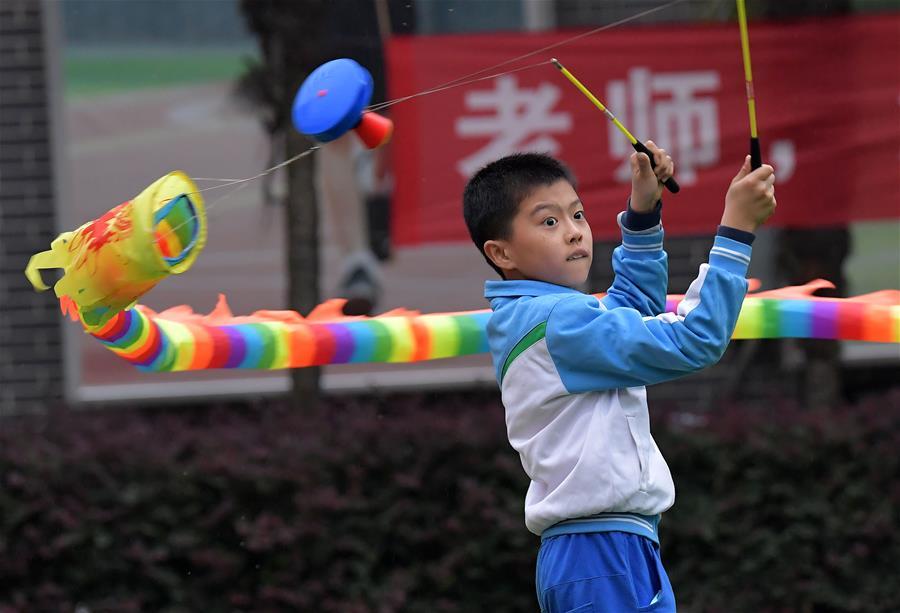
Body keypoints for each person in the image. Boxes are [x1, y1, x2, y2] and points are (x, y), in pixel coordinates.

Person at [462, 146, 776, 612]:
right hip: (601, 552)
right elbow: (697, 338)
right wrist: (735, 230)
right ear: (500, 251)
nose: (573, 233)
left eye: (578, 215)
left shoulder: (543, 317)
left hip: (607, 549)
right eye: (549, 222)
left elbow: (630, 308)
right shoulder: (558, 322)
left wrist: (644, 210)